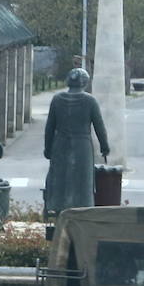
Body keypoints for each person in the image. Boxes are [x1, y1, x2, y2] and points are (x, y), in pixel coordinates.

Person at [44, 67, 110, 213]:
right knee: (82, 179)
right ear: (85, 82)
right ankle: (82, 208)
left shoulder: (57, 99)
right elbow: (99, 126)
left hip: (60, 143)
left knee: (60, 177)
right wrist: (104, 146)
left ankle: (58, 206)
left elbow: (49, 127)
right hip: (82, 146)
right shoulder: (90, 101)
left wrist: (47, 148)